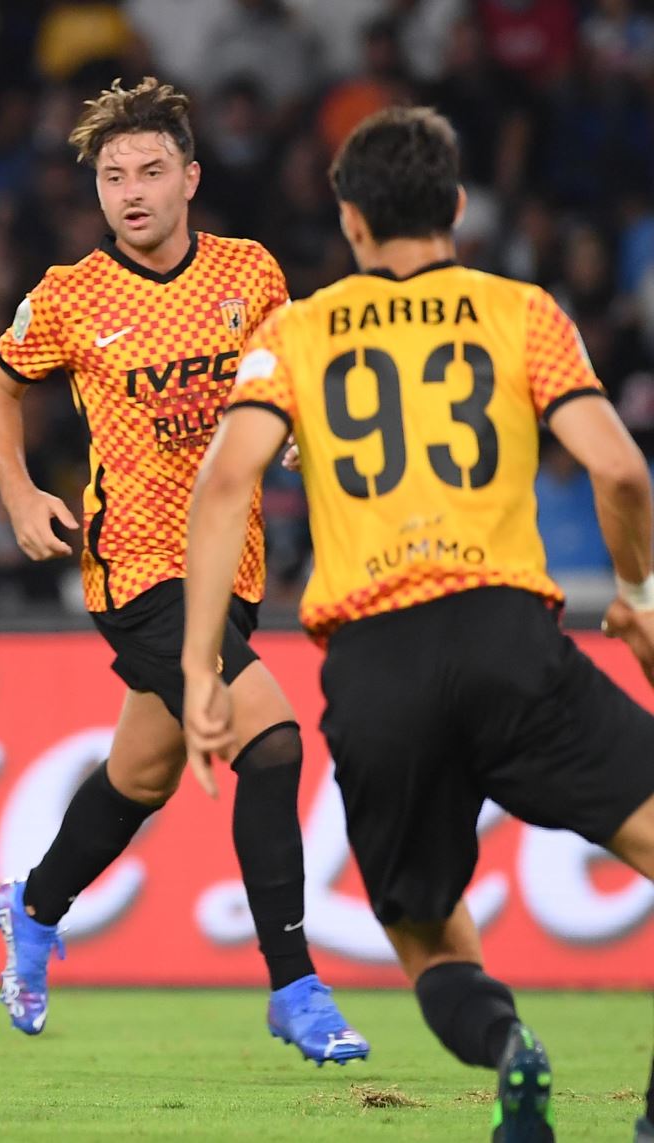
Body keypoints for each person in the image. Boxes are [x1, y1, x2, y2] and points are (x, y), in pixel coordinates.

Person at [181, 106, 654, 1143]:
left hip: (375, 666)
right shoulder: (520, 312)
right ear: (458, 207)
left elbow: (223, 485)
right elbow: (620, 467)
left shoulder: (295, 332)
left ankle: (510, 1048)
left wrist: (200, 669)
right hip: (506, 639)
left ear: (349, 220)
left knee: (428, 938)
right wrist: (640, 596)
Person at [0, 76, 367, 1063]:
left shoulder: (250, 272)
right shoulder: (70, 295)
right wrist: (19, 494)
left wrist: (296, 432)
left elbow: (288, 383)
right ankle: (295, 988)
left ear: (189, 178)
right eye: (113, 176)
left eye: (150, 171)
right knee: (271, 742)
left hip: (233, 566)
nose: (131, 192)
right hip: (137, 568)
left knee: (141, 774)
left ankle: (33, 905)